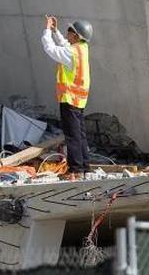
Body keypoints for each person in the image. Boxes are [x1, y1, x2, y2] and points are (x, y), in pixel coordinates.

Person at [40, 14, 92, 178]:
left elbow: (51, 49)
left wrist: (47, 30)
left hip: (69, 98)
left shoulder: (71, 52)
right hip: (79, 100)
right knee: (80, 134)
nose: (67, 33)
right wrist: (56, 31)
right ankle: (84, 167)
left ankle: (75, 170)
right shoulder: (81, 48)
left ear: (76, 36)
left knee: (72, 136)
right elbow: (64, 45)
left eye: (70, 31)